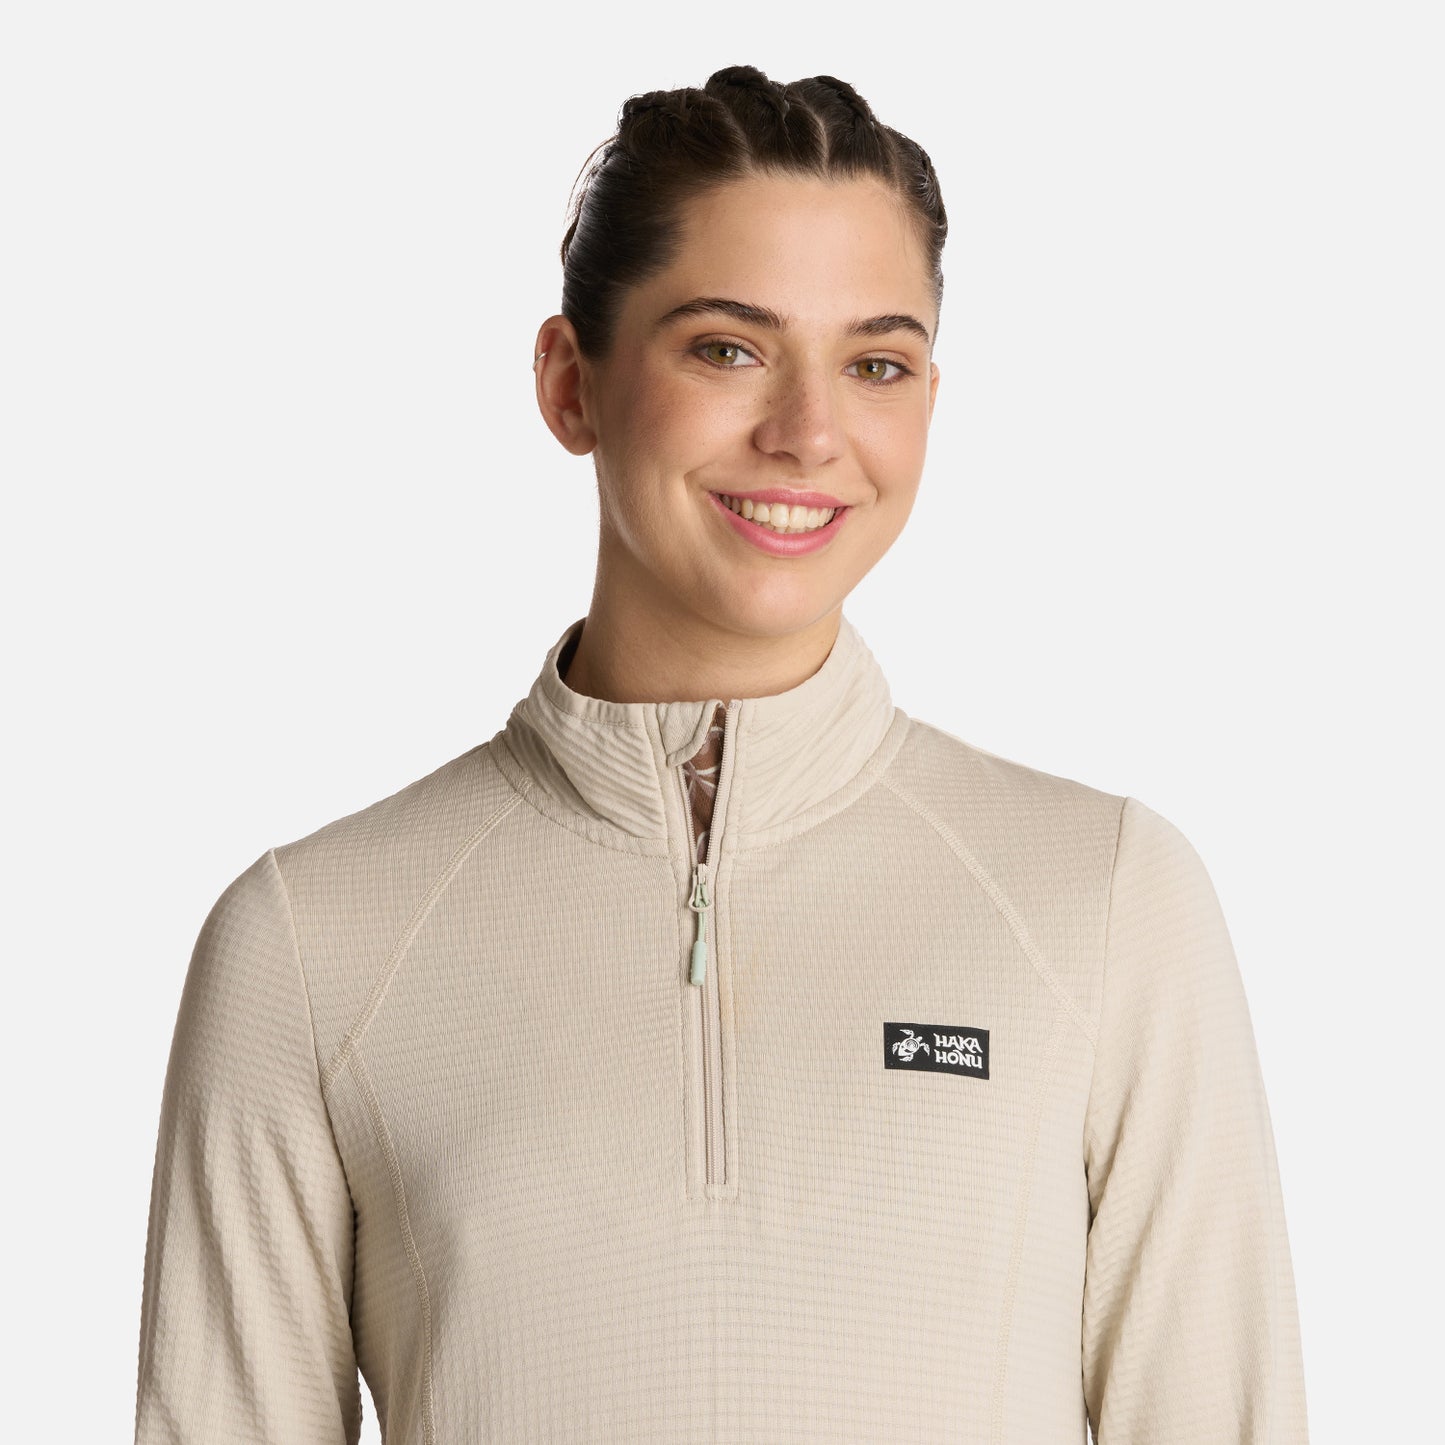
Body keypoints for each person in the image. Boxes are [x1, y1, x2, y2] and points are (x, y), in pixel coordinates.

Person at [132, 63, 1309, 1443]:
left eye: (875, 364)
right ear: (570, 383)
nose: (808, 433)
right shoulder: (310, 939)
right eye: (727, 349)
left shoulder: (1102, 898)